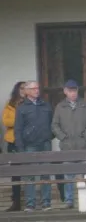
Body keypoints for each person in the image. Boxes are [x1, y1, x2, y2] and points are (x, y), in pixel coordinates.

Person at [51, 80, 86, 209]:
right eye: (70, 91)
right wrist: (62, 137)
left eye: (75, 90)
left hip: (84, 146)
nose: (73, 93)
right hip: (67, 147)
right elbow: (54, 125)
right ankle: (69, 201)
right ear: (65, 91)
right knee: (68, 175)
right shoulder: (60, 107)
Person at [14, 81, 54, 212]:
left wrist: (49, 136)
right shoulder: (22, 108)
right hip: (29, 145)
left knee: (45, 174)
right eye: (33, 88)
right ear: (26, 91)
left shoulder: (46, 105)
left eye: (38, 88)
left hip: (45, 143)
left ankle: (46, 203)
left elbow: (53, 123)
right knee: (29, 175)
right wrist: (20, 147)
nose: (37, 90)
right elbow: (18, 129)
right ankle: (30, 204)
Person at [2, 81, 25, 212]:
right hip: (12, 141)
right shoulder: (10, 104)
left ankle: (30, 202)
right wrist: (20, 120)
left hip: (26, 141)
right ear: (17, 89)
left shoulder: (29, 103)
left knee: (28, 172)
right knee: (15, 173)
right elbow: (6, 121)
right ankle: (15, 202)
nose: (23, 90)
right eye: (21, 88)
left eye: (25, 88)